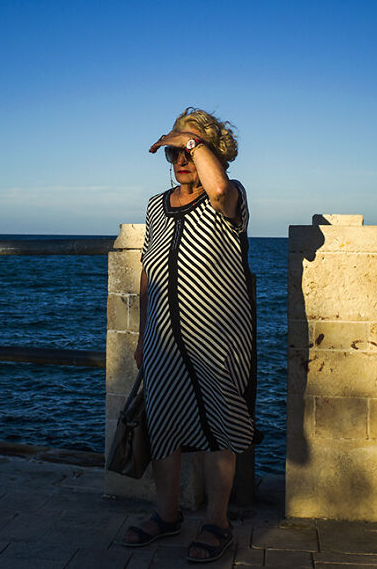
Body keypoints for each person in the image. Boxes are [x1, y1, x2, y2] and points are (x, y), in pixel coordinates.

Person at [120, 107, 254, 563]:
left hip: (217, 338)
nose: (181, 158)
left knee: (220, 426)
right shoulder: (156, 205)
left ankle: (218, 523)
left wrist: (192, 141)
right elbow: (147, 271)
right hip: (162, 338)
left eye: (190, 150)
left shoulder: (230, 195)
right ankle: (166, 515)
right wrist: (142, 336)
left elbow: (218, 189)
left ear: (213, 153)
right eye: (174, 151)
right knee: (164, 424)